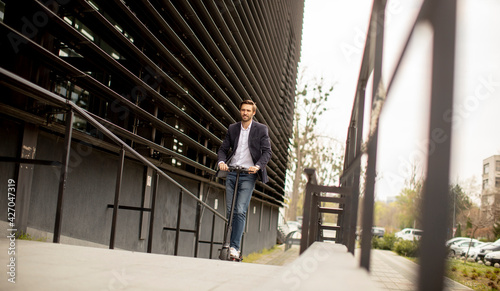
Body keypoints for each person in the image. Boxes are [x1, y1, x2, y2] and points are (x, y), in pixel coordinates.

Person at [217, 100, 272, 258]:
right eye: (243, 110)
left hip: (248, 174)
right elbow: (223, 149)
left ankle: (234, 247)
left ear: (253, 113)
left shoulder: (261, 129)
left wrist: (257, 166)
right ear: (240, 111)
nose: (245, 113)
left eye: (248, 110)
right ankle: (227, 244)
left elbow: (267, 152)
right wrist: (221, 162)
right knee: (230, 211)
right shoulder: (233, 128)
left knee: (240, 210)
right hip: (233, 171)